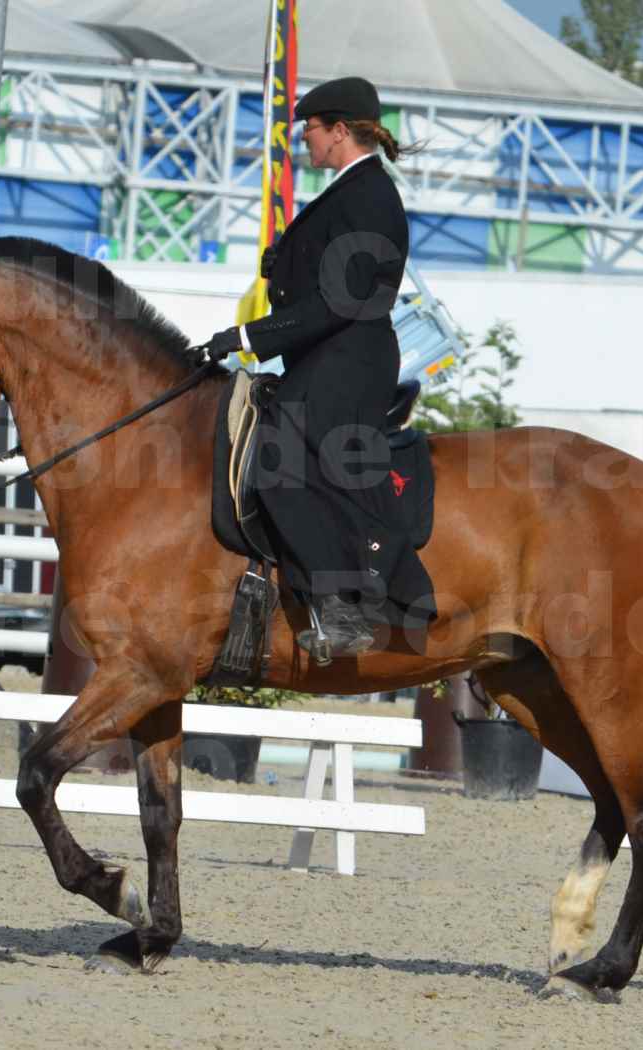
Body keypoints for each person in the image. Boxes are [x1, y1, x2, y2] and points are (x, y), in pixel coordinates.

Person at [200, 76, 434, 661]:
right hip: (326, 354)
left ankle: (343, 609)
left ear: (339, 130)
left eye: (309, 128)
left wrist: (249, 336)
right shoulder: (347, 190)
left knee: (278, 461)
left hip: (349, 360)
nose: (301, 138)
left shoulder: (370, 196)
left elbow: (342, 301)